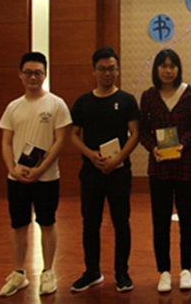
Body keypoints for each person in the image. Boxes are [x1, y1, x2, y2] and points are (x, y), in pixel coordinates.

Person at [0, 52, 72, 297]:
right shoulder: (13, 107)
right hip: (17, 178)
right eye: (28, 72)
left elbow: (60, 141)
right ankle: (19, 274)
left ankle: (48, 272)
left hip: (47, 178)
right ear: (20, 75)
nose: (33, 77)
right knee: (19, 226)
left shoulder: (56, 104)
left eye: (38, 73)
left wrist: (41, 169)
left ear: (45, 74)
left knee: (47, 223)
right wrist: (12, 169)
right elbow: (6, 142)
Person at [69, 47, 140, 293]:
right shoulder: (83, 102)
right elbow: (73, 135)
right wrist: (90, 154)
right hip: (91, 173)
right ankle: (92, 272)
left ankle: (122, 272)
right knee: (90, 223)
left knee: (121, 223)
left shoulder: (127, 100)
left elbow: (135, 134)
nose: (107, 73)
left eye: (111, 69)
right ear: (94, 71)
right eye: (102, 69)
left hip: (119, 173)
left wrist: (118, 158)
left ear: (118, 71)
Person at [138, 50, 191, 293]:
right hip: (159, 169)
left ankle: (186, 269)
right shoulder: (148, 96)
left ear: (178, 69)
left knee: (187, 221)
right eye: (163, 66)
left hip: (186, 166)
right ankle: (164, 271)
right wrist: (153, 147)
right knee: (160, 221)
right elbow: (142, 131)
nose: (168, 70)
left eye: (172, 66)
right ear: (156, 69)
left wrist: (182, 144)